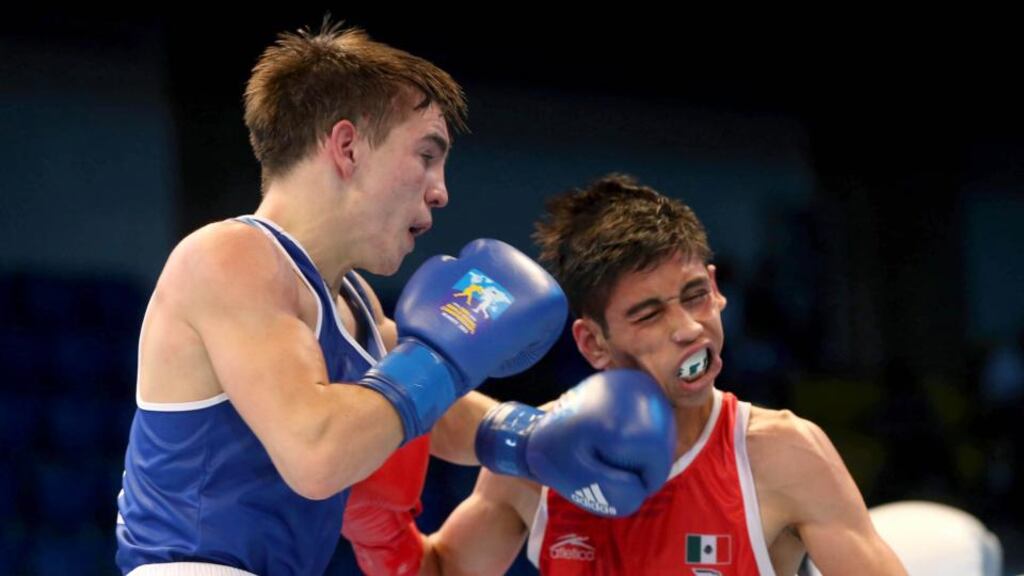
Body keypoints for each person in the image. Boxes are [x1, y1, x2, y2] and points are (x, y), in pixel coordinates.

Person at [115, 21, 675, 576]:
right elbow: (317, 451)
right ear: (348, 147)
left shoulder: (356, 304)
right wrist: (441, 356)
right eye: (427, 156)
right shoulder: (229, 256)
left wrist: (526, 437)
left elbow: (427, 411)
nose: (441, 189)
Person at [350, 173, 909, 575]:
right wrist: (381, 530)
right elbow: (442, 570)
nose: (689, 327)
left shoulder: (780, 454)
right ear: (593, 342)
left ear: (717, 290)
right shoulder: (536, 453)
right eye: (649, 313)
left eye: (696, 296)